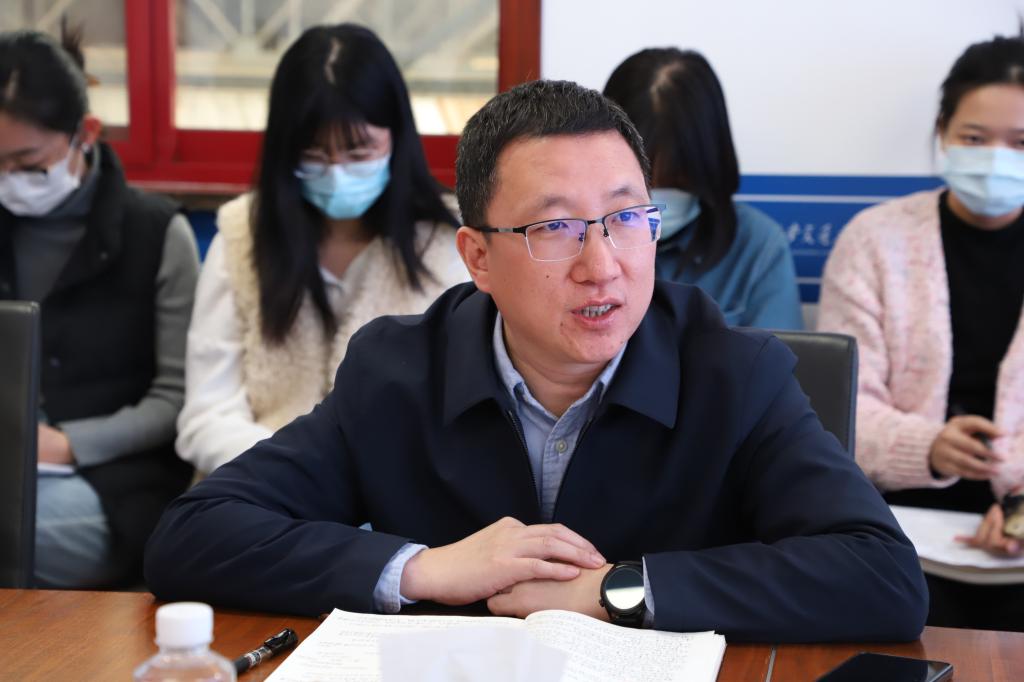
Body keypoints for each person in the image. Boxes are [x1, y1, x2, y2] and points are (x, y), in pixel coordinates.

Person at [145, 79, 927, 642]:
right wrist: (423, 569)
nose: (603, 265)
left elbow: (882, 576)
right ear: (478, 258)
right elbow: (194, 535)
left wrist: (619, 589)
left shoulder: (734, 372)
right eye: (555, 228)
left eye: (626, 217)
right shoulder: (395, 370)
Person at [175, 24, 468, 475]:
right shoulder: (241, 236)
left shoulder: (449, 245)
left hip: (395, 490)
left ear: (396, 135)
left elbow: (457, 416)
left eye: (359, 151)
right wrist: (299, 474)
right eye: (313, 154)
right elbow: (206, 416)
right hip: (258, 484)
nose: (336, 171)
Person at [818, 32, 1024, 630]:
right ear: (942, 132)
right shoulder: (873, 239)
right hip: (891, 534)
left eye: (1020, 142)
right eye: (975, 139)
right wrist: (927, 446)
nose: (997, 159)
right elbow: (839, 411)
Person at [0, 28, 197, 587]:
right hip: (10, 463)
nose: (8, 180)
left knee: (14, 531)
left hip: (117, 481)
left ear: (85, 133)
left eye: (26, 161)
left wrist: (69, 444)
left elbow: (176, 399)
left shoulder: (156, 233)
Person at [603, 48, 802, 329]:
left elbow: (782, 353)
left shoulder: (757, 247)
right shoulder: (575, 238)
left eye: (676, 180)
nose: (656, 199)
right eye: (644, 182)